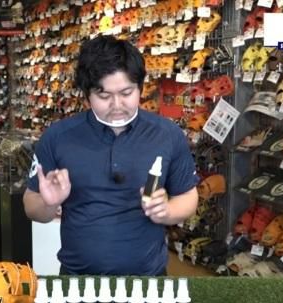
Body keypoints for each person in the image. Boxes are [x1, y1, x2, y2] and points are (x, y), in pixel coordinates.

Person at [24, 35, 199, 276]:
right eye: (104, 96)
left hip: (149, 280)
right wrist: (49, 203)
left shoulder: (168, 135)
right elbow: (31, 207)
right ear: (86, 95)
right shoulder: (57, 137)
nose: (117, 105)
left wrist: (166, 211)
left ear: (140, 87)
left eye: (126, 92)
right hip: (77, 280)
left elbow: (188, 196)